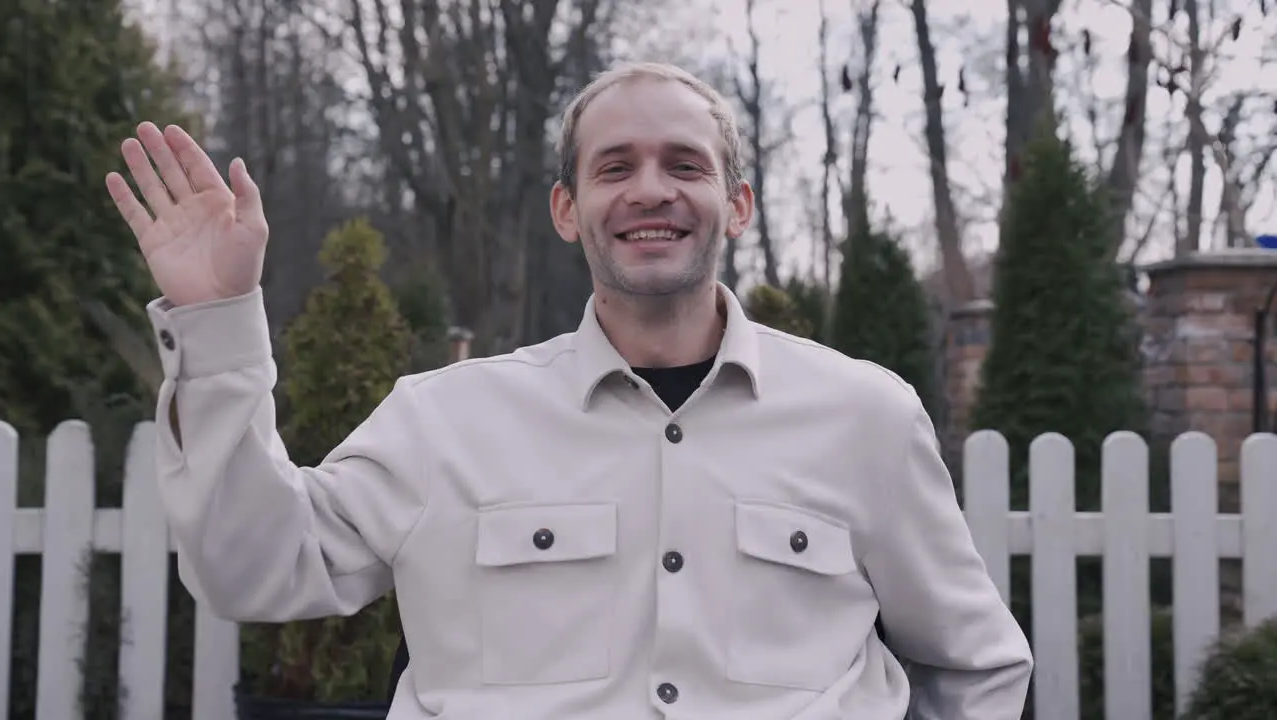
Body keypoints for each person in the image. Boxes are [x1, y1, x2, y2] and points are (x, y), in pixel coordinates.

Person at [106, 61, 1032, 719]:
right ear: (566, 209)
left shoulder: (864, 417)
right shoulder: (444, 420)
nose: (650, 190)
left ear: (738, 206)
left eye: (685, 165)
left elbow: (975, 667)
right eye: (614, 167)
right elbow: (252, 567)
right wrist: (217, 317)